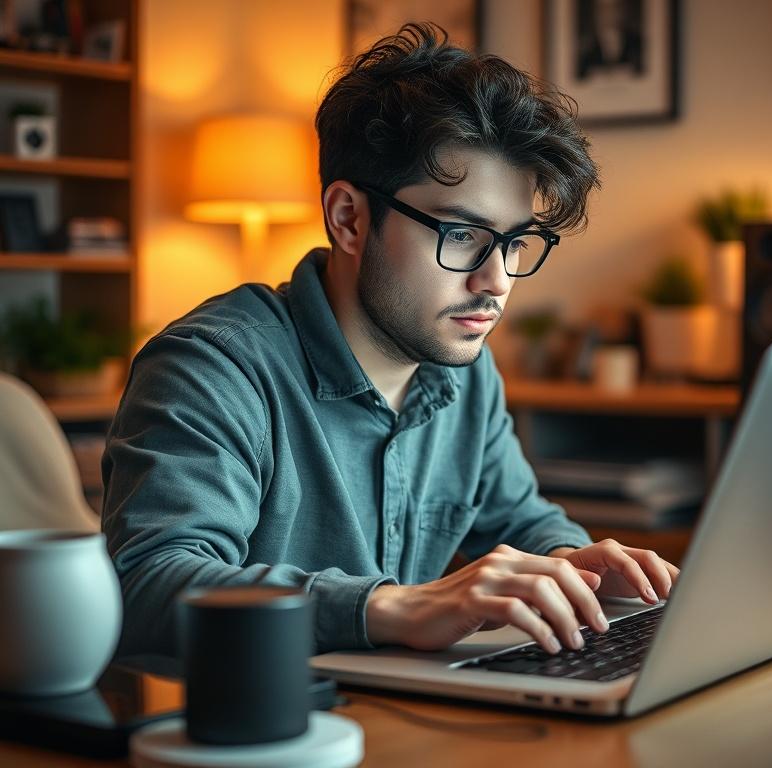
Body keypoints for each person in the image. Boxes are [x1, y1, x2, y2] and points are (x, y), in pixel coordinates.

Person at [103, 23, 678, 659]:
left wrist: (575, 564)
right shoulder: (211, 368)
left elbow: (520, 520)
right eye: (461, 235)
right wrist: (391, 606)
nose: (495, 282)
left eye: (515, 242)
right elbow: (148, 585)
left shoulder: (465, 369)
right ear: (349, 217)